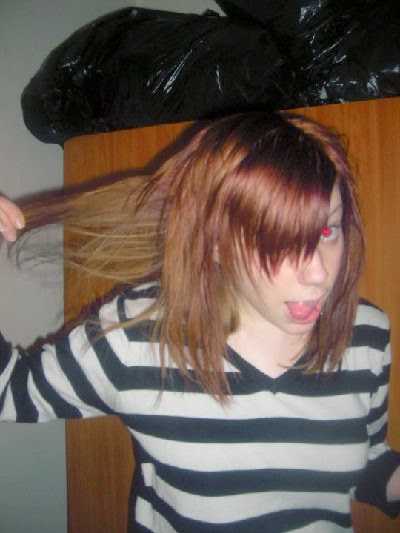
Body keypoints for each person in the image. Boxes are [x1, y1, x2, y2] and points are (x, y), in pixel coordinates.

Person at [0, 111, 399, 532]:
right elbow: (8, 390)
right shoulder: (140, 339)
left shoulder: (365, 335)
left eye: (327, 232)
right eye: (275, 240)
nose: (318, 274)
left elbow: (367, 459)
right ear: (214, 243)